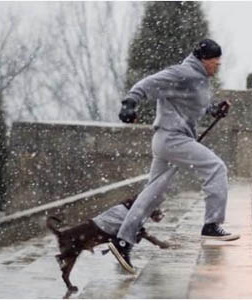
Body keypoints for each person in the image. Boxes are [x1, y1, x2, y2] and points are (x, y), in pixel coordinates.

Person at [93, 39, 240, 274]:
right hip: (173, 138)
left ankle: (122, 241)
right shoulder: (182, 73)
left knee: (152, 194)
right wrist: (130, 102)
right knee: (216, 168)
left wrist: (214, 109)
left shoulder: (199, 79)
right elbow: (148, 83)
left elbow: (195, 104)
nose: (218, 66)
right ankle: (212, 224)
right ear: (204, 60)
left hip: (170, 140)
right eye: (215, 61)